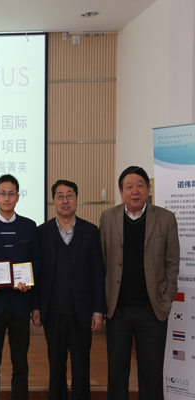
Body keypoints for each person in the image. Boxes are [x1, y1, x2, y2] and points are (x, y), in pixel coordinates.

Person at [100, 166, 180, 400]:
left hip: (152, 310)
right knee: (116, 373)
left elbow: (172, 263)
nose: (134, 191)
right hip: (117, 310)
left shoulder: (165, 218)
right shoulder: (108, 218)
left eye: (140, 186)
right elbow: (101, 261)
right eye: (129, 186)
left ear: (148, 188)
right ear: (121, 191)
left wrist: (166, 299)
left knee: (152, 375)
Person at [32, 180, 105, 400]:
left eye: (70, 195)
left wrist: (98, 310)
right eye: (60, 196)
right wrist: (36, 307)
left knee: (82, 366)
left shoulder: (90, 231)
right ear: (53, 201)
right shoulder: (42, 232)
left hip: (82, 312)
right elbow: (37, 273)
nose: (65, 200)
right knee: (56, 366)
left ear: (76, 199)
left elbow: (98, 273)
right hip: (53, 311)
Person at [0, 174, 40, 400]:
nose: (6, 198)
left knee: (20, 365)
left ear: (18, 197)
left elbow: (36, 261)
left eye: (11, 193)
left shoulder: (29, 226)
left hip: (20, 305)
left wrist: (29, 283)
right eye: (2, 193)